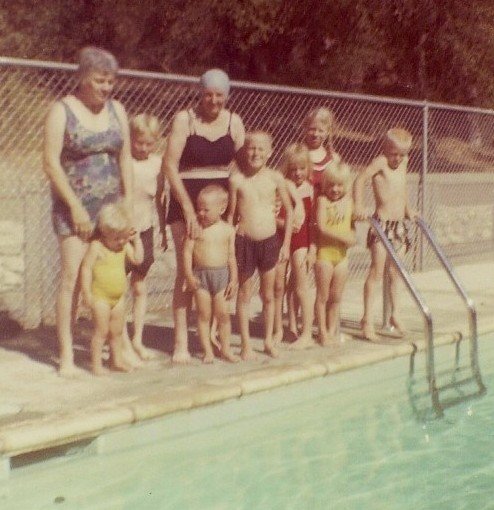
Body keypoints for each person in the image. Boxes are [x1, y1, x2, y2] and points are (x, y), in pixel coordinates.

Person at [43, 47, 133, 377]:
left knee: (114, 275)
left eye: (110, 81)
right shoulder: (61, 110)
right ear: (82, 77)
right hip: (74, 210)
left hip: (112, 211)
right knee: (73, 279)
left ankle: (118, 349)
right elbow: (50, 163)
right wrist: (76, 207)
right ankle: (67, 355)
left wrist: (128, 202)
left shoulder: (117, 110)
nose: (106, 87)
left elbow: (125, 158)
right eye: (99, 81)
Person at [163, 68, 245, 364]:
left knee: (217, 265)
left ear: (227, 96)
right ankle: (181, 342)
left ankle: (210, 339)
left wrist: (240, 202)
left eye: (219, 95)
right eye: (208, 94)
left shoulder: (234, 122)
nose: (213, 101)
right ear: (200, 93)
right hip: (187, 200)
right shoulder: (184, 120)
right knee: (186, 271)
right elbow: (169, 166)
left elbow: (245, 164)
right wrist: (187, 208)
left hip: (218, 203)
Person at [228, 131, 293, 359]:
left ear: (270, 152)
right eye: (251, 148)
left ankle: (268, 340)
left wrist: (286, 244)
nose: (255, 153)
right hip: (244, 242)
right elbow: (231, 216)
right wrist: (230, 244)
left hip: (269, 242)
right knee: (244, 293)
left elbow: (290, 211)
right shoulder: (237, 180)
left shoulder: (275, 178)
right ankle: (245, 345)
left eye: (260, 149)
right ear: (245, 151)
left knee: (268, 294)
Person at [353, 127, 417, 341]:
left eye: (402, 154)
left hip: (399, 225)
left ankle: (395, 314)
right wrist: (359, 205)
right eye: (393, 153)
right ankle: (367, 320)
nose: (397, 158)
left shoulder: (404, 162)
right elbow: (359, 180)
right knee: (376, 272)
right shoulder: (380, 162)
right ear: (385, 149)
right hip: (382, 225)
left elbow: (403, 187)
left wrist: (408, 209)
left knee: (395, 273)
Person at [80, 202, 143, 375]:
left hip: (118, 298)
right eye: (116, 238)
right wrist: (86, 293)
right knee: (101, 332)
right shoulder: (97, 246)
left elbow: (138, 260)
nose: (121, 241)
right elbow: (86, 268)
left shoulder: (125, 246)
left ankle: (116, 361)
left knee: (117, 331)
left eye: (124, 237)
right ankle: (96, 365)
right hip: (100, 297)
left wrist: (136, 240)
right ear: (104, 233)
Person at [124, 113, 167, 360]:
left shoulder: (157, 164)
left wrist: (162, 230)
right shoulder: (123, 162)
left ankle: (137, 339)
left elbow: (159, 199)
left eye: (149, 143)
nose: (143, 148)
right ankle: (119, 340)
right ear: (130, 138)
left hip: (145, 230)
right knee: (116, 288)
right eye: (138, 142)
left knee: (139, 286)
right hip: (121, 233)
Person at [183, 185, 238, 363]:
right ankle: (207, 351)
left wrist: (234, 279)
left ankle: (226, 349)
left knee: (223, 315)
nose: (201, 213)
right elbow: (187, 253)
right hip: (201, 277)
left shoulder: (228, 230)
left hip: (221, 276)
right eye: (199, 208)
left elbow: (231, 256)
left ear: (221, 209)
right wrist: (189, 275)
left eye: (206, 210)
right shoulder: (195, 228)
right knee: (203, 315)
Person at [274, 143, 315, 349]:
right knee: (280, 286)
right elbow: (272, 216)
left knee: (300, 285)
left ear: (308, 168)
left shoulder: (311, 189)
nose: (298, 173)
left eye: (302, 168)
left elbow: (313, 222)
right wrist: (284, 224)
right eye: (293, 169)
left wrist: (313, 248)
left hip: (302, 240)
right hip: (281, 238)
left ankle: (306, 333)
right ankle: (283, 328)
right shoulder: (281, 187)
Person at [315, 162, 356, 345]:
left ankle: (332, 331)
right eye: (331, 185)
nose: (335, 189)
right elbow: (322, 228)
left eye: (339, 185)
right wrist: (345, 238)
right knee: (323, 296)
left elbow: (352, 227)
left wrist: (352, 236)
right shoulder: (322, 202)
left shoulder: (348, 203)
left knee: (336, 297)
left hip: (342, 257)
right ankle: (322, 332)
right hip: (325, 255)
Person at [301, 107, 341, 195]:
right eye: (312, 129)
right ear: (305, 129)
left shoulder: (333, 159)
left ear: (328, 132)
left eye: (321, 131)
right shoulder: (298, 154)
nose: (315, 134)